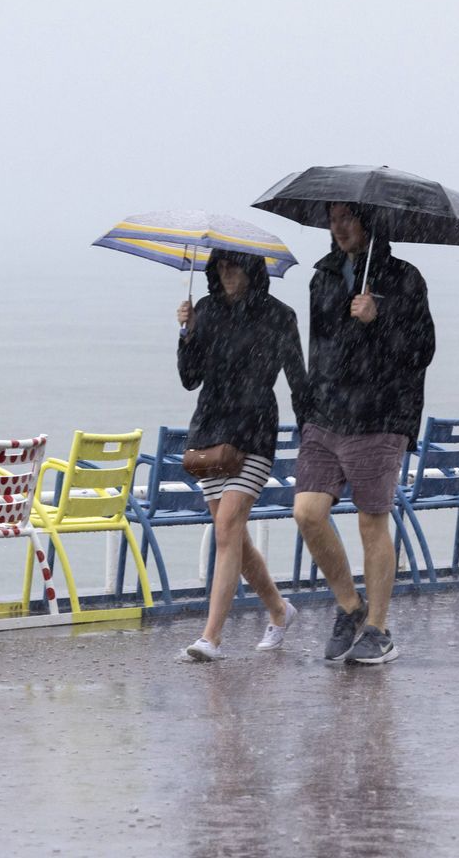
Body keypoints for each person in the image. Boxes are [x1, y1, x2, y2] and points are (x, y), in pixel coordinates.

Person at [293, 202, 435, 665]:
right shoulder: (323, 276)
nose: (338, 226)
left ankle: (378, 629)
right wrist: (309, 406)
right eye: (332, 218)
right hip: (327, 413)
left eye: (347, 217)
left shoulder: (405, 277)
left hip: (380, 414)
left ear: (368, 222)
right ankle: (351, 608)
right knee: (307, 512)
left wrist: (381, 318)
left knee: (371, 520)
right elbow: (320, 346)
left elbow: (423, 349)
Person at [176, 248, 306, 662]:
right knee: (230, 532)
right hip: (210, 430)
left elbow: (297, 379)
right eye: (221, 265)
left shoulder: (279, 315)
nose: (228, 272)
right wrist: (186, 333)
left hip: (254, 432)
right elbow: (189, 379)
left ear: (252, 269)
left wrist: (314, 435)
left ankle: (210, 638)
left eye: (236, 265)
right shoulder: (206, 310)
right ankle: (279, 610)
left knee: (229, 523)